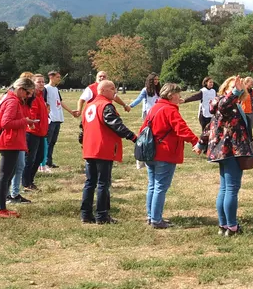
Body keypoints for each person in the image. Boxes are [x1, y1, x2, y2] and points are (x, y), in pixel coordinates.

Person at [196, 76, 253, 236]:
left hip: (224, 151)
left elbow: (211, 125)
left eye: (239, 87)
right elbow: (224, 106)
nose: (236, 89)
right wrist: (235, 91)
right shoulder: (223, 103)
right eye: (232, 87)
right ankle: (231, 226)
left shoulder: (229, 104)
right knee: (231, 188)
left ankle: (223, 225)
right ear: (225, 89)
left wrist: (201, 143)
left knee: (225, 188)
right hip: (231, 151)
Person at [138, 83, 199, 228]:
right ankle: (156, 220)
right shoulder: (170, 110)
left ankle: (151, 215)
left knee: (152, 185)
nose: (180, 97)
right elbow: (181, 128)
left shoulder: (155, 107)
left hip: (150, 152)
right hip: (165, 152)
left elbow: (143, 128)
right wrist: (196, 142)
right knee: (160, 186)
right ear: (171, 96)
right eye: (178, 94)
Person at [79, 80, 137, 224]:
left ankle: (85, 214)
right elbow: (115, 124)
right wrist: (133, 136)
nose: (114, 91)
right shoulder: (106, 106)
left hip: (89, 148)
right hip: (102, 148)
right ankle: (102, 216)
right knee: (103, 183)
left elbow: (82, 128)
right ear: (103, 91)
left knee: (89, 182)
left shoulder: (89, 106)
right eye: (112, 89)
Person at [0, 76, 40, 218]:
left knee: (8, 175)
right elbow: (5, 123)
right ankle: (0, 208)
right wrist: (24, 121)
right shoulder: (12, 101)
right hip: (9, 142)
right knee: (5, 176)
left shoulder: (12, 99)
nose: (29, 96)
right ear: (20, 89)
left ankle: (2, 207)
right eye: (28, 93)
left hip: (12, 142)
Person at [20, 73, 50, 191]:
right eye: (39, 82)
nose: (42, 84)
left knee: (40, 157)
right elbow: (31, 113)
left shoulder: (41, 96)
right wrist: (32, 123)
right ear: (33, 84)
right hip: (32, 132)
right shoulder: (32, 97)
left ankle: (30, 180)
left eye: (43, 82)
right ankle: (26, 183)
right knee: (30, 159)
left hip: (41, 132)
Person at [129, 73, 160, 169]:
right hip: (148, 115)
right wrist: (130, 106)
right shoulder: (145, 90)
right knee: (147, 134)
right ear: (150, 80)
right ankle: (142, 158)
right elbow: (139, 99)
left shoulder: (159, 90)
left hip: (158, 114)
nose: (156, 81)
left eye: (157, 79)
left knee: (155, 134)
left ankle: (154, 155)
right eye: (154, 80)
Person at [42, 71, 65, 170]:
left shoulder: (56, 89)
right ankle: (44, 162)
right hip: (51, 118)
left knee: (52, 142)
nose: (59, 79)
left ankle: (49, 161)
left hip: (58, 118)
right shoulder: (46, 88)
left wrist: (71, 112)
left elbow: (60, 102)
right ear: (51, 77)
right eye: (57, 77)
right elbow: (44, 103)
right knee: (47, 141)